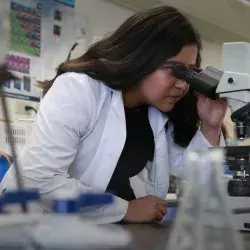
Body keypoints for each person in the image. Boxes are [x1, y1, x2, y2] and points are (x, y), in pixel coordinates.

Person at [0, 6, 227, 223]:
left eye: (188, 73)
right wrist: (124, 209)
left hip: (105, 230)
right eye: (176, 70)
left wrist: (211, 125)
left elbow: (197, 175)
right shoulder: (79, 89)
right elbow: (38, 180)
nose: (182, 85)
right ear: (141, 57)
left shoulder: (158, 112)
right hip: (36, 225)